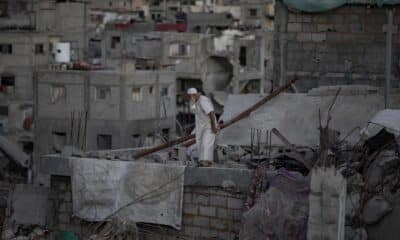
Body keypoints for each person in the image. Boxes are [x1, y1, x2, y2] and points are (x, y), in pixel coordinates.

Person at [187, 88, 219, 167]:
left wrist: (213, 127)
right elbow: (194, 110)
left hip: (209, 126)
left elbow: (211, 113)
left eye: (192, 96)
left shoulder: (203, 100)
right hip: (202, 127)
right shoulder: (196, 102)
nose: (191, 98)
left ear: (196, 94)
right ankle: (204, 161)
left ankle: (205, 161)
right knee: (201, 143)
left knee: (206, 143)